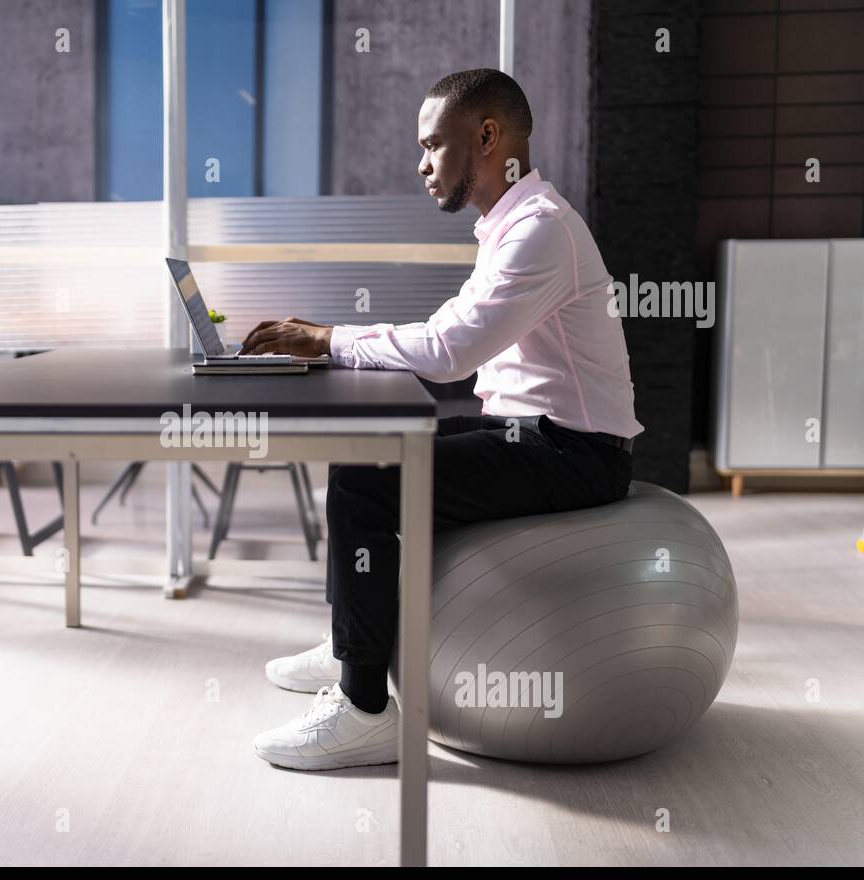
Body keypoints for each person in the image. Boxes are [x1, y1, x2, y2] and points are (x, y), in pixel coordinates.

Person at [239, 68, 644, 771]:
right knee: (369, 447)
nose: (421, 164)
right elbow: (445, 330)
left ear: (486, 137)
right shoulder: (510, 224)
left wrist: (330, 339)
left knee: (367, 476)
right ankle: (349, 648)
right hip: (531, 433)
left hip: (576, 453)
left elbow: (449, 352)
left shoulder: (539, 231)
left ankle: (365, 710)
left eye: (432, 146)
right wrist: (331, 339)